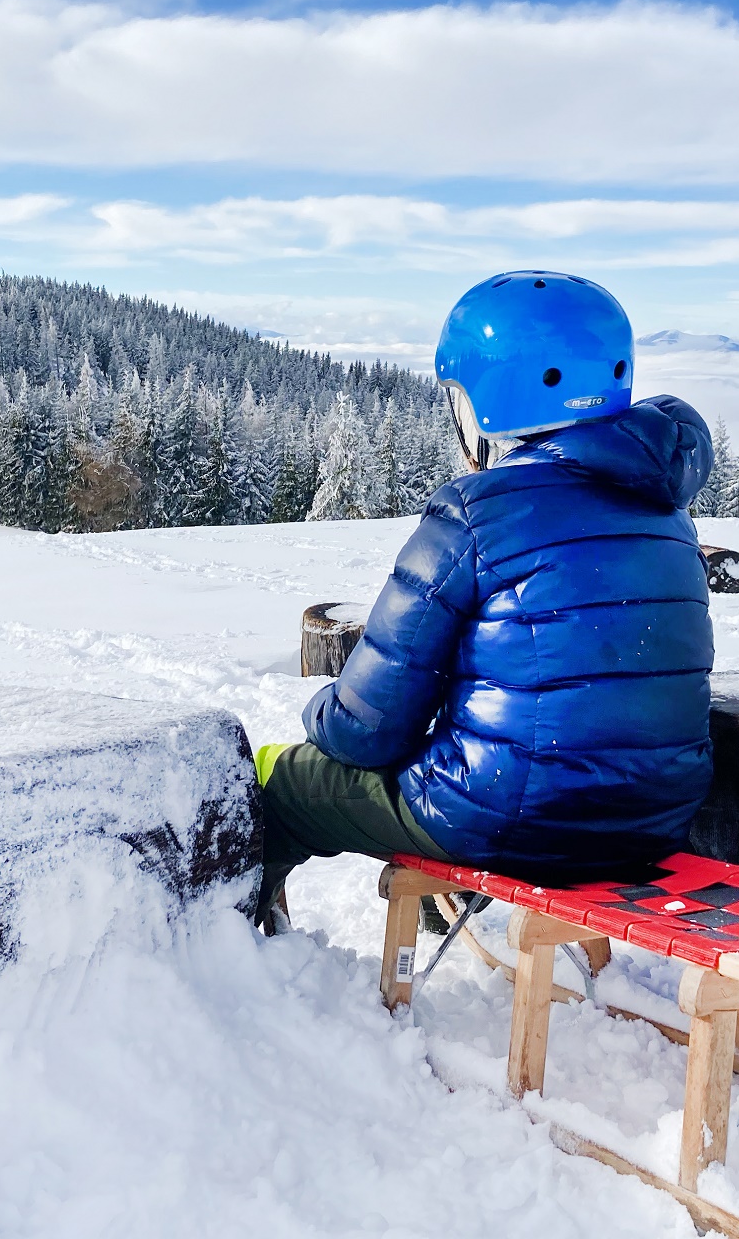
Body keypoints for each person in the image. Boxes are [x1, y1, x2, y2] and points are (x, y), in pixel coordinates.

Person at [255, 270, 715, 930]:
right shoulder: (667, 513)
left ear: (491, 395)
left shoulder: (476, 512)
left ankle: (230, 956)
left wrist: (321, 718)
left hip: (514, 820)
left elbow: (368, 727)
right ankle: (448, 910)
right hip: (654, 819)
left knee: (288, 784)